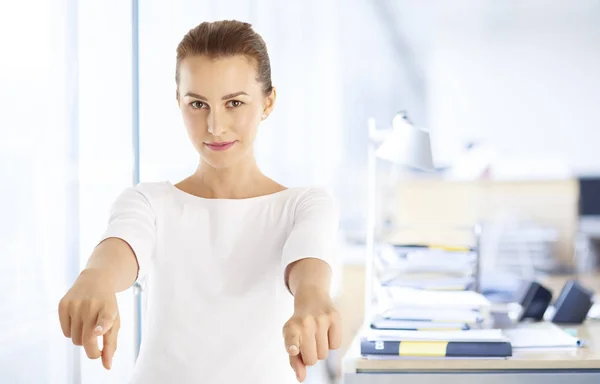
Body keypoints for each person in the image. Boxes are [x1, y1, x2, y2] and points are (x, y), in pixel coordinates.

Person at [58, 20, 341, 383]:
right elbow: (122, 244)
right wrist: (95, 278)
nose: (215, 126)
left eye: (234, 102)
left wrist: (313, 299)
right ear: (179, 102)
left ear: (268, 102)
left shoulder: (304, 205)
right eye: (198, 104)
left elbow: (309, 269)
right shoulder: (148, 201)